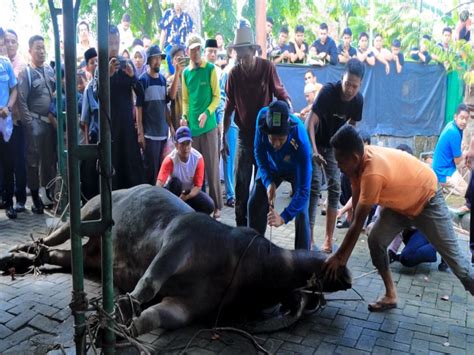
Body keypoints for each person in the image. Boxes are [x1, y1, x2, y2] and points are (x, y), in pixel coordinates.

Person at [324, 125, 474, 311]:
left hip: (427, 199)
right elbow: (355, 215)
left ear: (354, 158)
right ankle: (390, 295)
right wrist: (341, 259)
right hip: (401, 205)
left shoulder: (372, 172)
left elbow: (358, 222)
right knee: (376, 239)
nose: (337, 165)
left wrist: (339, 258)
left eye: (339, 161)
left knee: (458, 264)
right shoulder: (355, 168)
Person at [222, 26, 290, 227]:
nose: (242, 61)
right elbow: (228, 108)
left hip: (265, 137)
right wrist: (222, 139)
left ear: (253, 51)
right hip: (244, 137)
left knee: (260, 192)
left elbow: (281, 94)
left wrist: (290, 116)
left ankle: (256, 236)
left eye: (246, 56)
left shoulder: (267, 67)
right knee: (241, 191)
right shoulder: (234, 74)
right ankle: (240, 232)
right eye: (239, 57)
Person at [307, 58, 364, 252]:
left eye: (354, 86)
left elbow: (351, 128)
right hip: (314, 142)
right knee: (314, 187)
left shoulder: (357, 101)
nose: (350, 89)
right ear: (342, 78)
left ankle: (328, 240)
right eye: (347, 84)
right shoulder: (328, 92)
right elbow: (310, 122)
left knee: (335, 188)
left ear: (360, 85)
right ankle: (309, 239)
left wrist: (345, 153)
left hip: (333, 146)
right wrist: (314, 151)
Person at [248, 101, 312, 250]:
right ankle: (253, 250)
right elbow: (259, 153)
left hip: (295, 170)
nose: (276, 144)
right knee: (254, 201)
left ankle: (302, 259)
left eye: (281, 139)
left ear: (288, 133)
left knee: (302, 214)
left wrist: (283, 217)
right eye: (272, 139)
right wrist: (268, 182)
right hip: (272, 167)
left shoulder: (301, 139)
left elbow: (303, 191)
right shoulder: (261, 119)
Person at [181, 33, 222, 219]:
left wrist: (207, 113)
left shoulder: (210, 69)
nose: (196, 53)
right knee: (194, 169)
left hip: (209, 126)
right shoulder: (186, 73)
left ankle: (217, 206)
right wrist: (184, 115)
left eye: (198, 49)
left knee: (212, 167)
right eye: (193, 50)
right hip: (193, 128)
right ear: (188, 52)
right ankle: (197, 206)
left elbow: (217, 97)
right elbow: (185, 99)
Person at [17, 35, 56, 214]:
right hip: (35, 123)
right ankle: (35, 197)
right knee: (33, 161)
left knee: (49, 161)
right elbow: (21, 99)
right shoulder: (26, 73)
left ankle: (48, 193)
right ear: (30, 51)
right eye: (37, 48)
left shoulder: (49, 70)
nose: (41, 51)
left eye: (43, 47)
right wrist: (29, 123)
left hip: (50, 123)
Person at [106, 25, 145, 190]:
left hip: (127, 127)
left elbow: (141, 94)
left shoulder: (126, 64)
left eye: (117, 42)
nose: (114, 46)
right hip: (110, 127)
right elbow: (95, 95)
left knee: (130, 167)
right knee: (112, 167)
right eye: (111, 42)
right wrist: (107, 75)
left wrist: (133, 76)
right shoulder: (101, 65)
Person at [136, 45, 173, 185]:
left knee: (162, 173)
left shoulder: (163, 80)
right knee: (150, 173)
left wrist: (171, 127)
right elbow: (139, 108)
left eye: (159, 58)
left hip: (163, 133)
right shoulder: (143, 81)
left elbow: (165, 107)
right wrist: (140, 133)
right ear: (149, 61)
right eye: (155, 58)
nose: (157, 61)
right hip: (150, 135)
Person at [157, 126, 214, 214]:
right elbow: (160, 182)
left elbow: (198, 186)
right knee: (175, 182)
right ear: (176, 145)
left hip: (189, 193)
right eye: (182, 144)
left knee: (209, 205)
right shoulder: (170, 160)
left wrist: (186, 197)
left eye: (188, 143)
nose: (186, 147)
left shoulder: (198, 158)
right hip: (174, 192)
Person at [4, 29, 27, 213]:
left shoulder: (18, 64)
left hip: (15, 122)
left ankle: (18, 200)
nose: (9, 45)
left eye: (12, 41)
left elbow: (15, 89)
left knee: (16, 161)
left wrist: (8, 108)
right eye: (6, 41)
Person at [432, 103, 469, 197]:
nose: (464, 121)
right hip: (443, 172)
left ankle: (446, 187)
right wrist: (464, 153)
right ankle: (442, 186)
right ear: (455, 116)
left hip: (442, 166)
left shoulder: (451, 125)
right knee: (468, 193)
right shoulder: (454, 132)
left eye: (466, 119)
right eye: (462, 118)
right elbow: (457, 161)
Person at [0, 30, 18, 219]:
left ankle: (9, 203)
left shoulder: (6, 64)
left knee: (8, 164)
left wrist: (9, 107)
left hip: (5, 123)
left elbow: (14, 89)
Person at [219, 48, 238, 208]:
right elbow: (222, 100)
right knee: (229, 157)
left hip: (239, 122)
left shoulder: (241, 70)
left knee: (236, 159)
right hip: (229, 121)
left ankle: (234, 193)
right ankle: (231, 194)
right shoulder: (228, 72)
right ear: (232, 52)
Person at [80, 47, 99, 200]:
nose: (96, 65)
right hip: (95, 136)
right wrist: (86, 142)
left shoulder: (108, 84)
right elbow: (85, 119)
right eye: (92, 63)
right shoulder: (88, 89)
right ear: (87, 67)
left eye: (97, 61)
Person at [167, 44, 186, 131]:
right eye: (177, 58)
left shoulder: (191, 77)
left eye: (182, 57)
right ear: (172, 62)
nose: (180, 61)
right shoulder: (170, 80)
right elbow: (172, 96)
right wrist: (177, 72)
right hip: (177, 124)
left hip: (192, 124)